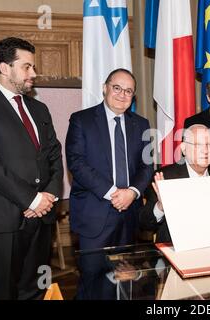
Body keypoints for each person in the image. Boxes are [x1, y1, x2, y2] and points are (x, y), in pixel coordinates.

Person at [0, 37, 63, 299]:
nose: (33, 73)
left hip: (42, 216)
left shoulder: (39, 108)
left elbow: (54, 155)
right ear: (4, 68)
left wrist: (49, 197)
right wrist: (32, 199)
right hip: (3, 218)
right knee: (6, 292)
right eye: (26, 67)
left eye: (33, 67)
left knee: (36, 289)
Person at [65, 68, 153, 298]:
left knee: (124, 281)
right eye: (117, 88)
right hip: (94, 216)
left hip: (129, 216)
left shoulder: (141, 125)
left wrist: (132, 193)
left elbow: (147, 166)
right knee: (92, 281)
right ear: (105, 88)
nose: (122, 95)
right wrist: (115, 193)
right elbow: (76, 163)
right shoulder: (81, 120)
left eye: (129, 91)